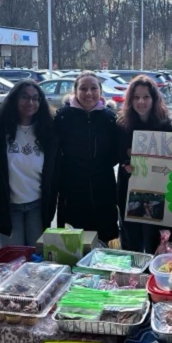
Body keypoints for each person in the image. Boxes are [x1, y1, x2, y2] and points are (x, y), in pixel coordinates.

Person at [0, 80, 57, 247]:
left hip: (37, 205)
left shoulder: (49, 130)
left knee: (36, 259)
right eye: (25, 97)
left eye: (36, 98)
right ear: (14, 99)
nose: (31, 102)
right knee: (11, 261)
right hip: (9, 207)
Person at [54, 71, 120, 244]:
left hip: (103, 189)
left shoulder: (110, 119)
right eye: (83, 88)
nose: (88, 93)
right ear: (75, 91)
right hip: (73, 190)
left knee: (102, 241)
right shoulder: (62, 118)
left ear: (100, 91)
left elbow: (117, 151)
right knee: (73, 243)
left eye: (93, 88)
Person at [116, 75, 171, 253]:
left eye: (146, 97)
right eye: (136, 97)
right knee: (132, 240)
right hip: (130, 188)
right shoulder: (122, 124)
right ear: (130, 99)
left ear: (154, 99)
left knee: (154, 239)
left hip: (157, 190)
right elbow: (114, 153)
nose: (141, 101)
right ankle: (132, 278)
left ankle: (153, 276)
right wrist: (125, 161)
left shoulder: (166, 125)